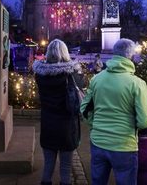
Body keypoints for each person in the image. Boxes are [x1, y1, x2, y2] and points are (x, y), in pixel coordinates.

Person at [80, 38, 147, 185]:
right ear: (131, 56)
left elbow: (84, 110)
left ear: (114, 53)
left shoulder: (97, 79)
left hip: (99, 141)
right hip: (124, 145)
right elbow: (144, 121)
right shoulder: (137, 84)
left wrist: (96, 125)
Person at [33, 39, 82, 185]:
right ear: (65, 53)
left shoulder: (40, 75)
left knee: (48, 166)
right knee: (66, 167)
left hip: (48, 125)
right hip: (67, 127)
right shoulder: (72, 75)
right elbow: (81, 87)